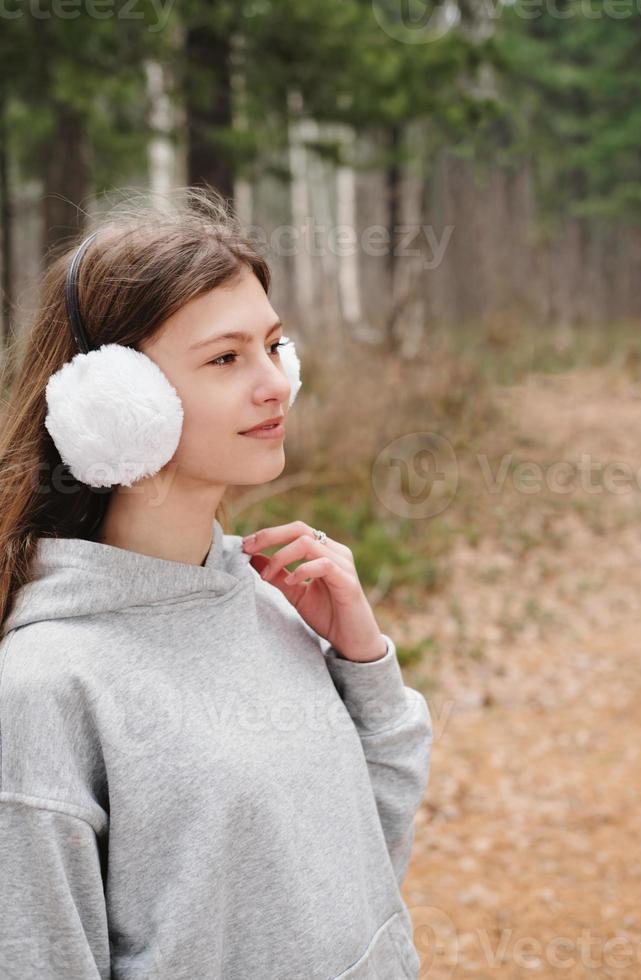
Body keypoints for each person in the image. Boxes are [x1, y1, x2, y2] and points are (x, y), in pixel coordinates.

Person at [0, 187, 433, 979]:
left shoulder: (272, 604)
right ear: (114, 407)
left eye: (275, 347)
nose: (275, 383)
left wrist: (363, 663)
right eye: (226, 358)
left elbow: (362, 861)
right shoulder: (43, 690)